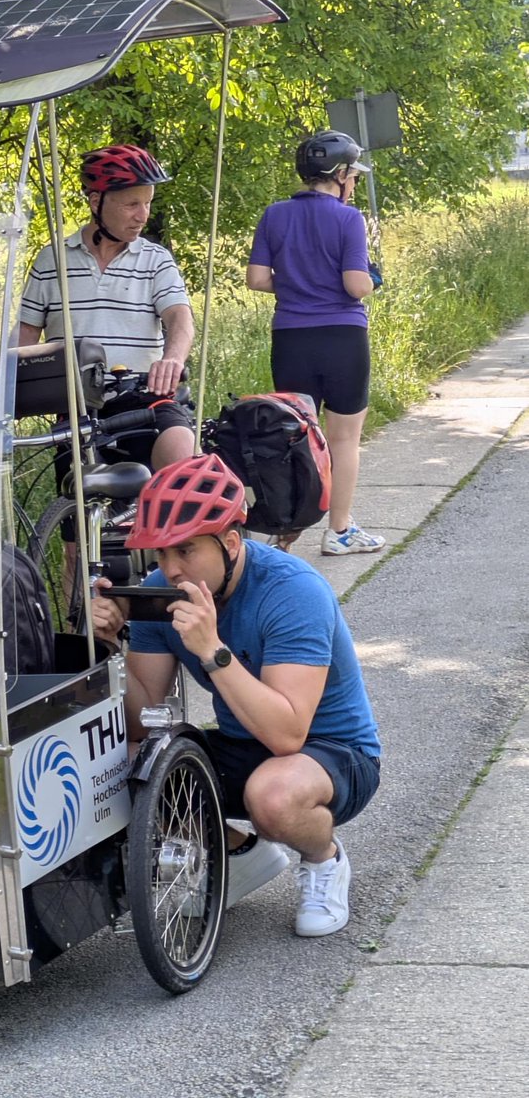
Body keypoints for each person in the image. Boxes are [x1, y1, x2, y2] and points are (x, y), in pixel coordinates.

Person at [92, 454, 382, 935]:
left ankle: (323, 859)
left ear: (229, 543)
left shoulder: (294, 592)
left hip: (333, 751)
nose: (171, 569)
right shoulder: (163, 590)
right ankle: (238, 854)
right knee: (122, 764)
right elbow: (142, 720)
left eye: (185, 551)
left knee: (273, 796)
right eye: (160, 554)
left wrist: (212, 650)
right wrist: (108, 650)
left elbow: (288, 735)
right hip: (245, 742)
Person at [246, 130, 386, 556]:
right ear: (339, 174)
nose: (354, 183)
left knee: (294, 436)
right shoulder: (348, 218)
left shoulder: (274, 214)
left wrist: (297, 284)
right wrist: (373, 279)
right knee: (343, 439)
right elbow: (355, 285)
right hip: (342, 337)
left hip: (290, 338)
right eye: (353, 175)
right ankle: (339, 531)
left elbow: (257, 279)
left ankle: (284, 533)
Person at [18, 143, 195, 473]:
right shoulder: (52, 260)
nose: (143, 215)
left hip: (146, 397)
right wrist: (10, 385)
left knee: (181, 460)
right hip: (77, 409)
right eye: (132, 204)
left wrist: (173, 359)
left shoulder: (155, 259)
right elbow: (25, 335)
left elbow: (179, 316)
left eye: (147, 203)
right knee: (81, 495)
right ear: (96, 202)